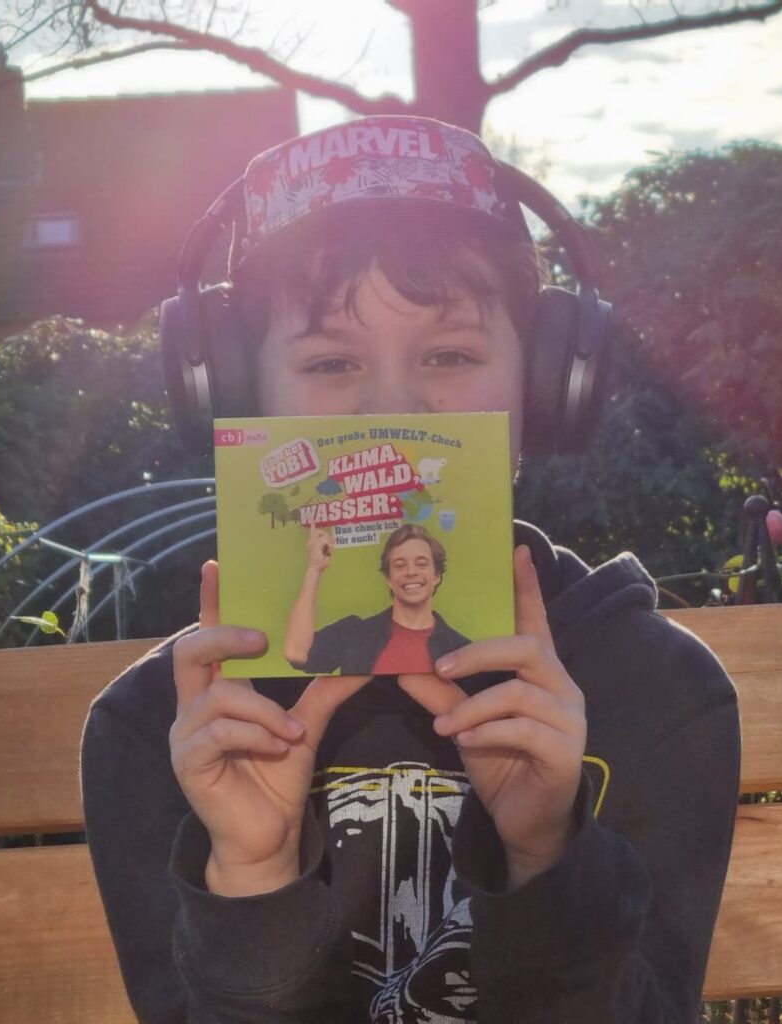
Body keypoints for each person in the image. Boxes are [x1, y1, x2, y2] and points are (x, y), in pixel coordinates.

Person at [81, 115, 740, 1024]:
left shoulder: (657, 688)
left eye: (450, 354)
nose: (391, 404)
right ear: (235, 391)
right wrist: (252, 882)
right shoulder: (159, 729)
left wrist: (548, 857)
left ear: (548, 383)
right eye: (330, 360)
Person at [284, 524, 470, 675]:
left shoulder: (460, 649)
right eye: (400, 565)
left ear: (437, 575)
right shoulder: (355, 633)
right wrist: (315, 569)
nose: (411, 572)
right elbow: (296, 653)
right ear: (389, 578)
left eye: (421, 564)